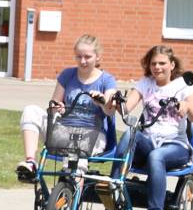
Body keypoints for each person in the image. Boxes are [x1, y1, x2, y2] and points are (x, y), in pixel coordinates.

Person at [122, 45, 193, 210]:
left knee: (157, 156)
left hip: (175, 146)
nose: (157, 67)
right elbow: (126, 109)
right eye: (153, 63)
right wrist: (113, 102)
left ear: (172, 65)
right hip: (148, 142)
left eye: (162, 63)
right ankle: (115, 189)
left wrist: (187, 105)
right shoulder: (145, 83)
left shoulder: (184, 85)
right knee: (129, 134)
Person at [15, 34, 119, 180]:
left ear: (98, 57)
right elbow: (53, 106)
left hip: (91, 135)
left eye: (87, 57)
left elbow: (110, 110)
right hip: (64, 131)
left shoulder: (106, 80)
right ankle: (31, 162)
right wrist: (59, 109)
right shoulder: (68, 74)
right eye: (79, 56)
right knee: (30, 110)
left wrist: (101, 102)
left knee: (74, 159)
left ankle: (72, 189)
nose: (82, 61)